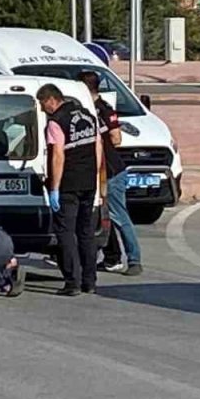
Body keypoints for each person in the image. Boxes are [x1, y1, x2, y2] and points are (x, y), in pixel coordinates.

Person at [37, 83, 106, 297]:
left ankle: (72, 282)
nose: (41, 109)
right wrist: (95, 177)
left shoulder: (56, 122)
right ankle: (90, 281)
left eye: (42, 104)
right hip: (88, 182)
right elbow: (98, 147)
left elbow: (58, 156)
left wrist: (55, 188)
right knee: (86, 232)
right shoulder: (87, 116)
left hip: (68, 184)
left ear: (51, 100)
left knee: (65, 233)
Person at [78, 71, 142, 277]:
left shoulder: (103, 110)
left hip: (112, 172)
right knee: (104, 216)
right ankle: (111, 257)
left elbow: (116, 139)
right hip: (99, 171)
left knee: (119, 216)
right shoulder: (89, 109)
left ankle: (134, 259)